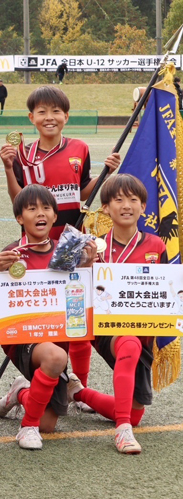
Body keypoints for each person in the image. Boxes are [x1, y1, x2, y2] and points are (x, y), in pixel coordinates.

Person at [0, 85, 122, 406]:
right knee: (41, 317)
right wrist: (7, 167)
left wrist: (107, 174)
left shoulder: (79, 148)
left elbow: (84, 192)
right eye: (42, 111)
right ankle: (40, 380)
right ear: (31, 117)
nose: (49, 117)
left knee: (76, 315)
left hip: (71, 242)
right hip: (37, 244)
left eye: (56, 112)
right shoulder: (22, 153)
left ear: (66, 117)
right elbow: (18, 199)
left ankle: (77, 385)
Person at [0, 184, 95, 450]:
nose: (40, 213)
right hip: (23, 337)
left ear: (55, 215)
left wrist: (87, 268)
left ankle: (21, 392)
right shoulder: (12, 254)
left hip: (57, 337)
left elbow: (81, 301)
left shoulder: (68, 251)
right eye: (32, 208)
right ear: (19, 218)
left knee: (49, 424)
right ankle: (27, 427)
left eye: (46, 207)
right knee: (56, 357)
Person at [68, 174, 166, 454]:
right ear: (106, 208)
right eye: (118, 200)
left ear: (143, 207)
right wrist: (86, 265)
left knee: (137, 413)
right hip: (102, 324)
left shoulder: (156, 246)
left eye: (133, 199)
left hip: (140, 326)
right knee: (129, 342)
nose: (126, 205)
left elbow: (166, 288)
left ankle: (75, 390)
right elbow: (75, 289)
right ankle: (123, 430)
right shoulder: (93, 246)